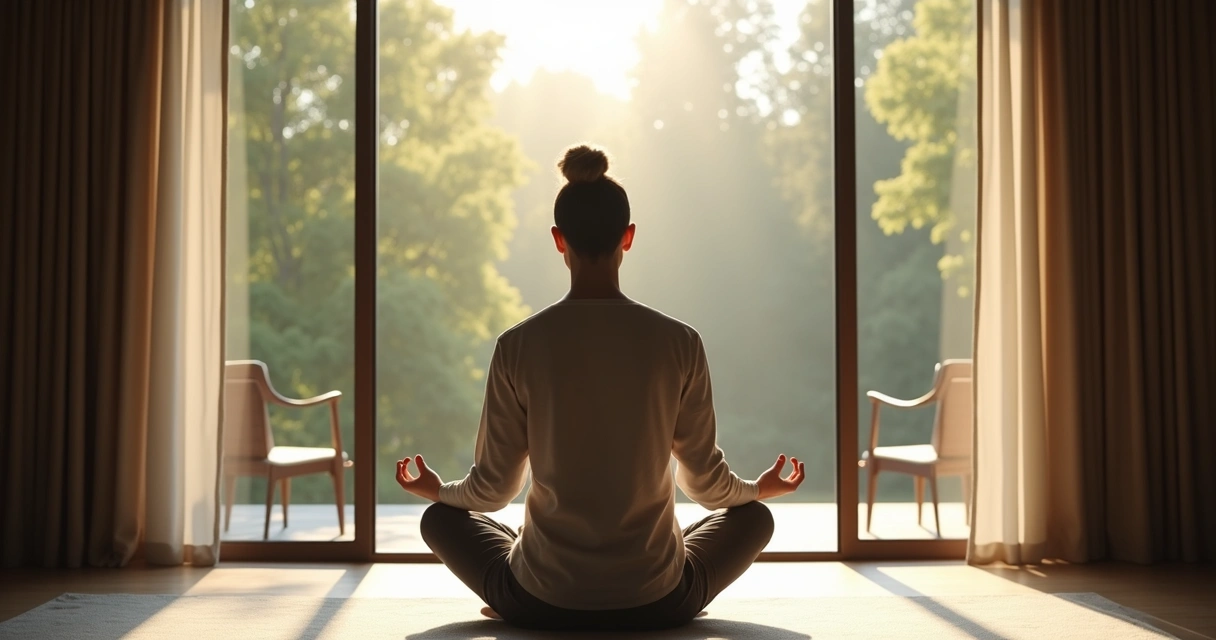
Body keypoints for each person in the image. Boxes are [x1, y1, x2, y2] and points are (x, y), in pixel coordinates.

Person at [394, 144, 806, 631]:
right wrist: (760, 488)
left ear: (558, 239)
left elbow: (493, 490)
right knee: (754, 518)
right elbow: (705, 484)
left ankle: (518, 595)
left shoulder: (518, 345)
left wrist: (436, 489)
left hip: (540, 600)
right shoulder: (679, 341)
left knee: (440, 519)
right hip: (658, 601)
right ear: (628, 237)